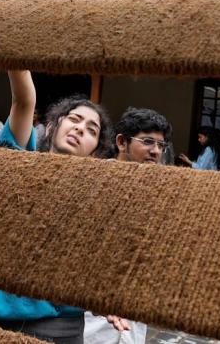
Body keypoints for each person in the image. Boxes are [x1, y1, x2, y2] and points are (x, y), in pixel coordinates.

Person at [0, 0, 123, 344]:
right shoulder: (22, 162)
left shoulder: (94, 196)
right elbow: (25, 97)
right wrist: (11, 8)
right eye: (74, 119)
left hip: (58, 329)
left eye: (92, 130)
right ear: (54, 125)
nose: (80, 128)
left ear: (96, 150)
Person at [83, 108, 173, 344]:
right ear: (122, 142)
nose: (155, 151)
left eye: (161, 145)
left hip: (133, 309)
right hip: (93, 310)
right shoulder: (94, 182)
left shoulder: (160, 192)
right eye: (147, 142)